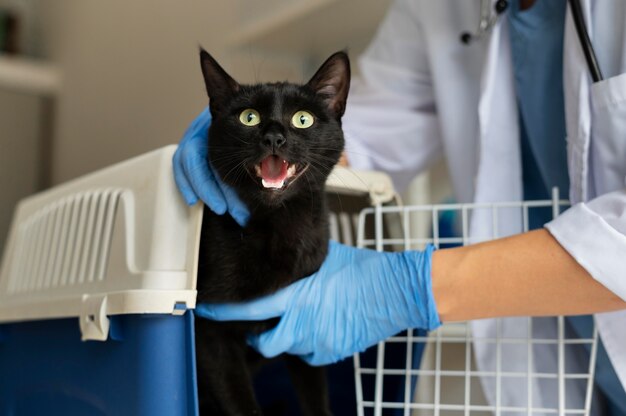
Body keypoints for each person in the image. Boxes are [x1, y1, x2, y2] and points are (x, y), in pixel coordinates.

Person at [174, 0, 626, 412]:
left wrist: (410, 287)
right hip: (565, 366)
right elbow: (362, 130)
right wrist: (240, 144)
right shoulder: (440, 8)